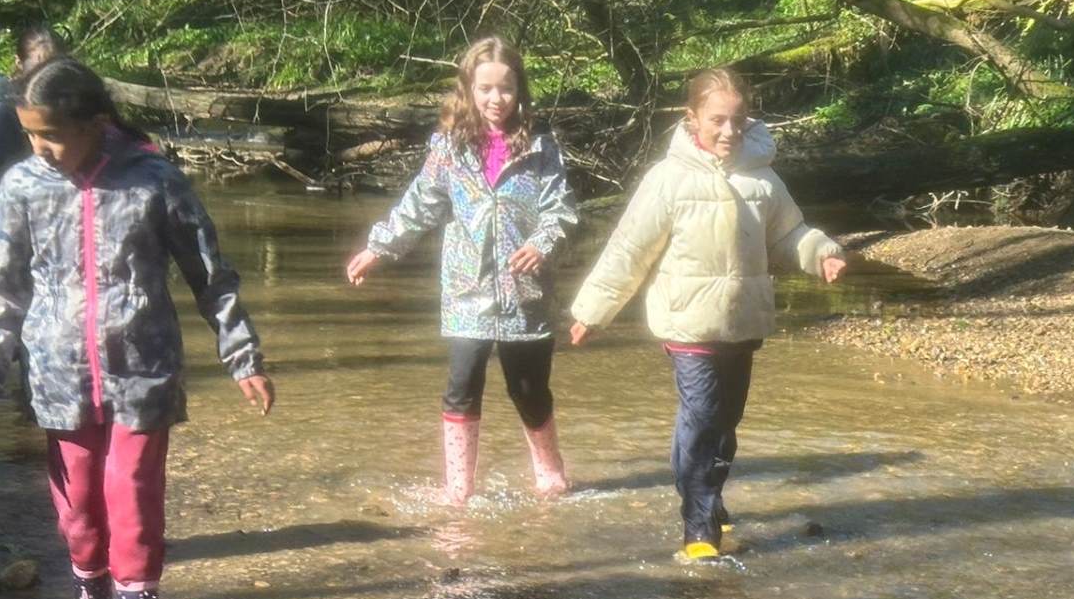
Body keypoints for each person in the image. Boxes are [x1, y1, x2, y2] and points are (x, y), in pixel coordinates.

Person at [0, 58, 274, 599]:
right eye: (30, 135)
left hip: (143, 369)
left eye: (52, 135)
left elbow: (210, 274)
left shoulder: (153, 180)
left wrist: (242, 356)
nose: (40, 148)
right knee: (77, 506)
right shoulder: (23, 187)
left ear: (96, 123)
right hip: (57, 373)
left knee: (131, 493)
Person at [565, 67, 846, 563]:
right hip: (687, 321)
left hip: (742, 319)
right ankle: (699, 524)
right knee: (702, 417)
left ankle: (709, 495)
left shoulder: (762, 177)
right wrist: (593, 310)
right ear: (691, 118)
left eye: (738, 119)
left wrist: (821, 252)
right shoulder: (667, 179)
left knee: (726, 422)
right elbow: (630, 249)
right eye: (717, 120)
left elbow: (789, 233)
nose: (729, 131)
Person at [346, 36, 577, 506]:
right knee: (461, 388)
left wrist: (541, 243)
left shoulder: (541, 147)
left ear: (520, 90)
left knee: (528, 391)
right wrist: (378, 248)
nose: (496, 99)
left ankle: (550, 474)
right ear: (469, 89)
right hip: (466, 291)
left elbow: (562, 211)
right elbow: (419, 206)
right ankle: (459, 491)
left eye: (506, 88)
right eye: (485, 88)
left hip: (525, 294)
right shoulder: (449, 148)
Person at [0, 25, 64, 206]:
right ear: (19, 63)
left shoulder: (72, 107)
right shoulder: (5, 116)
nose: (47, 78)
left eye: (55, 69)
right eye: (39, 69)